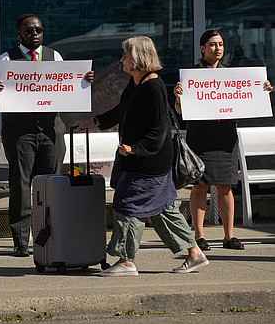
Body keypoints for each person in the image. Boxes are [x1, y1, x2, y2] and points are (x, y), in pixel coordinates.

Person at [75, 35, 208, 276]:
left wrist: (135, 148)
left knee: (127, 204)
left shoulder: (153, 86)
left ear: (137, 58)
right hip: (145, 160)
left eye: (125, 55)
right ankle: (195, 253)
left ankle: (126, 262)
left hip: (149, 162)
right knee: (162, 208)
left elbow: (159, 129)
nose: (121, 59)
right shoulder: (136, 82)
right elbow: (121, 110)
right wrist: (93, 121)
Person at [0, 13, 94, 257]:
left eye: (38, 30)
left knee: (51, 183)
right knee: (21, 184)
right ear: (19, 33)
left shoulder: (54, 56)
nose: (34, 34)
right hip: (19, 129)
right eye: (29, 31)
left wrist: (83, 81)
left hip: (50, 127)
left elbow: (65, 86)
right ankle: (21, 240)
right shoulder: (4, 60)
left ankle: (50, 235)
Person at [174, 30, 273, 251]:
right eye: (211, 45)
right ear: (202, 48)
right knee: (200, 186)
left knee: (226, 186)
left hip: (225, 135)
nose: (217, 48)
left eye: (220, 44)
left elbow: (248, 98)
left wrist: (262, 90)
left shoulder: (232, 76)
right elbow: (180, 111)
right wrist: (179, 98)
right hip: (200, 135)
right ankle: (199, 236)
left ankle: (229, 236)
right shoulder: (192, 75)